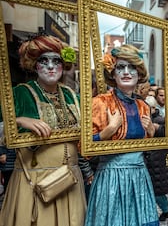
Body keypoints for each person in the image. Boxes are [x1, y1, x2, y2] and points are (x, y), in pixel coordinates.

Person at [0, 34, 86, 225]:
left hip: (70, 179)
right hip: (34, 179)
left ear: (63, 65)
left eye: (56, 61)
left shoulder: (73, 96)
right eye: (43, 61)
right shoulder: (20, 93)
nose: (50, 66)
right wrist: (19, 120)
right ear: (34, 64)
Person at [84, 44, 158, 226]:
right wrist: (108, 131)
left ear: (139, 73)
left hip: (139, 177)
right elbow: (84, 148)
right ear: (113, 74)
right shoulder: (100, 103)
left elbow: (146, 145)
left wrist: (151, 133)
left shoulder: (143, 106)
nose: (126, 72)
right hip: (111, 179)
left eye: (131, 67)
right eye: (120, 67)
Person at [144, 95, 168, 222]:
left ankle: (166, 210)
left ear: (153, 108)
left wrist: (155, 128)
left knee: (157, 191)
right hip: (150, 159)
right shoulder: (145, 119)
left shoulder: (159, 120)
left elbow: (165, 136)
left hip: (156, 159)